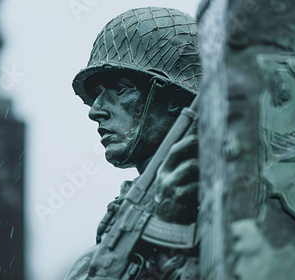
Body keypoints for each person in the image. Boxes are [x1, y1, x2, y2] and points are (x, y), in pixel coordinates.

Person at [66, 7, 202, 280]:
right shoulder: (118, 221)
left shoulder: (235, 204)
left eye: (120, 89)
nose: (96, 110)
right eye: (98, 94)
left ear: (175, 98)